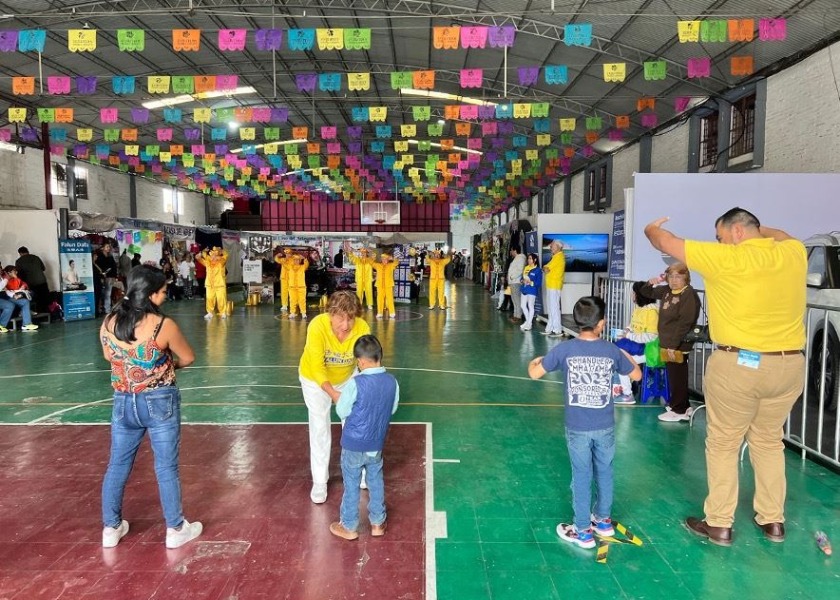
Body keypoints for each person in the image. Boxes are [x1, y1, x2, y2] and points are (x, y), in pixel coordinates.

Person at [644, 208, 806, 547]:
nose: (719, 242)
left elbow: (664, 240)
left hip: (739, 365)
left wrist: (650, 227)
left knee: (723, 443)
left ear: (735, 232)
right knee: (768, 442)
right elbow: (783, 235)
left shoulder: (725, 258)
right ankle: (772, 519)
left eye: (720, 236)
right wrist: (760, 232)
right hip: (789, 365)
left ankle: (719, 523)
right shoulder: (792, 254)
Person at [99, 265, 202, 549]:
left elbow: (110, 355)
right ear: (152, 294)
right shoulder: (162, 325)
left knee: (117, 465)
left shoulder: (109, 321)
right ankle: (175, 528)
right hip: (159, 402)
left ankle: (111, 527)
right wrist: (163, 366)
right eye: (164, 292)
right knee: (166, 467)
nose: (165, 296)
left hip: (123, 401)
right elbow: (188, 357)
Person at [527, 296, 641, 549]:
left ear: (577, 322)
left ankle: (582, 531)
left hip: (577, 427)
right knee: (605, 471)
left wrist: (534, 361)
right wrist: (623, 354)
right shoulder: (611, 351)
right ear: (602, 323)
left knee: (581, 474)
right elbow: (636, 374)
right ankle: (603, 521)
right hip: (606, 426)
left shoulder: (564, 350)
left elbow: (535, 374)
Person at [299, 290, 372, 504]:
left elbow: (365, 362)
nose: (346, 324)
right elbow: (317, 366)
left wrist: (368, 388)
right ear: (331, 313)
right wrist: (334, 394)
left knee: (354, 424)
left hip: (346, 377)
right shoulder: (317, 326)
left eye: (350, 317)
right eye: (340, 317)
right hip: (314, 380)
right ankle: (320, 481)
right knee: (320, 425)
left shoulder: (362, 328)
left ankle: (360, 472)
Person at [329, 335, 400, 541]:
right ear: (379, 356)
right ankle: (378, 522)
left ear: (360, 361)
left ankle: (349, 526)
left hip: (353, 443)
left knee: (351, 483)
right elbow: (392, 408)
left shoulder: (356, 383)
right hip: (376, 443)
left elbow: (342, 411)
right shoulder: (392, 382)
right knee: (375, 480)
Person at [638, 262, 701, 422]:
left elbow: (685, 322)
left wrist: (673, 345)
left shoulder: (688, 294)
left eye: (678, 277)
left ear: (686, 278)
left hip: (678, 344)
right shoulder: (667, 290)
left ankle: (678, 410)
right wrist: (652, 282)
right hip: (667, 342)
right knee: (674, 376)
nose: (674, 280)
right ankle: (683, 406)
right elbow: (646, 292)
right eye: (671, 276)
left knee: (678, 376)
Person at [613, 281, 659, 403]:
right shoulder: (639, 308)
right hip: (637, 347)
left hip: (648, 351)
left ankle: (627, 394)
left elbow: (651, 337)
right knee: (619, 356)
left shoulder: (652, 312)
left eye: (634, 293)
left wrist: (629, 336)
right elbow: (633, 325)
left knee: (622, 361)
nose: (633, 295)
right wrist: (627, 330)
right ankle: (623, 389)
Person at [0, 267, 38, 332]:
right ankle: (1, 325)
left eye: (0, 268)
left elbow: (5, 290)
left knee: (25, 302)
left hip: (5, 297)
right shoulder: (6, 278)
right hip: (2, 298)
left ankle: (27, 324)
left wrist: (14, 295)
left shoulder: (2, 277)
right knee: (9, 305)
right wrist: (6, 279)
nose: (1, 270)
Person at [197, 247, 229, 319]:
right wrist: (202, 252)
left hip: (219, 284)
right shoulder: (207, 263)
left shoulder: (221, 262)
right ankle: (210, 312)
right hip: (209, 284)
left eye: (215, 255)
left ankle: (223, 312)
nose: (213, 257)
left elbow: (226, 255)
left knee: (221, 298)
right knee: (209, 298)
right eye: (212, 255)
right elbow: (199, 258)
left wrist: (221, 251)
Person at [542, 241, 566, 337]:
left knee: (554, 308)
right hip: (551, 285)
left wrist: (545, 268)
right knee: (551, 308)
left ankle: (557, 330)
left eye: (553, 246)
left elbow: (546, 268)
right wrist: (545, 268)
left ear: (558, 247)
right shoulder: (556, 257)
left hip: (554, 285)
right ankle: (550, 328)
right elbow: (545, 268)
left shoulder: (559, 257)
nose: (550, 247)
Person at [16, 247, 49, 313]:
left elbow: (20, 275)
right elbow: (43, 268)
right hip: (42, 281)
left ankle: (38, 317)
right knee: (44, 299)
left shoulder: (19, 261)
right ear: (27, 251)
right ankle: (47, 316)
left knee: (35, 300)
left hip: (31, 283)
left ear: (20, 253)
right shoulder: (36, 257)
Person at [520, 253, 542, 332]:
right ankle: (528, 321)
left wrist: (531, 282)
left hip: (532, 290)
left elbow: (539, 283)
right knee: (522, 305)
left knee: (530, 306)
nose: (528, 260)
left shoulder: (538, 270)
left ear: (535, 260)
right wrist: (522, 280)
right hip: (524, 289)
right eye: (528, 259)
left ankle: (529, 324)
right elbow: (522, 278)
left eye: (530, 258)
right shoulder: (526, 268)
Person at [372, 253, 398, 320]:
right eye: (383, 259)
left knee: (390, 298)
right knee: (379, 299)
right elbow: (371, 263)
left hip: (388, 285)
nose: (384, 260)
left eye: (385, 259)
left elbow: (397, 262)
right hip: (379, 285)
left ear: (388, 260)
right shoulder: (378, 265)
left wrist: (392, 258)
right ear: (381, 259)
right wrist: (373, 257)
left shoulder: (391, 265)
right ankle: (379, 312)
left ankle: (392, 312)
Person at [95, 243, 118, 315]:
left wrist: (114, 277)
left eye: (109, 247)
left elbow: (114, 267)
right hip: (101, 277)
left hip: (110, 277)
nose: (108, 248)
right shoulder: (99, 257)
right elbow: (97, 267)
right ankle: (99, 309)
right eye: (107, 247)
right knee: (100, 294)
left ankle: (107, 309)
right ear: (103, 248)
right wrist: (101, 276)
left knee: (108, 293)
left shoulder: (110, 257)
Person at [507, 247, 526, 324]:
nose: (511, 252)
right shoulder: (516, 258)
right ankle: (515, 314)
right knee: (514, 299)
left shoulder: (520, 258)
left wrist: (512, 277)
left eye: (511, 250)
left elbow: (520, 270)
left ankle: (518, 316)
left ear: (515, 250)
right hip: (512, 282)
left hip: (516, 282)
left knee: (517, 299)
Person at [288, 253, 309, 319]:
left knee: (302, 300)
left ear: (300, 260)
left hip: (301, 287)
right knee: (292, 300)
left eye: (297, 260)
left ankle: (303, 313)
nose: (296, 261)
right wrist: (290, 256)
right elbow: (286, 261)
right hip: (292, 287)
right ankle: (292, 313)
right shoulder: (289, 267)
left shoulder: (303, 267)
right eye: (295, 260)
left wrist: (304, 258)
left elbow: (307, 264)